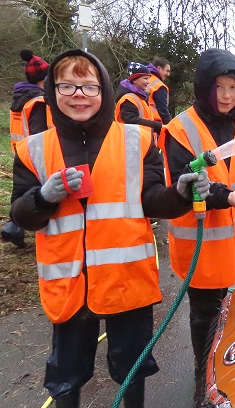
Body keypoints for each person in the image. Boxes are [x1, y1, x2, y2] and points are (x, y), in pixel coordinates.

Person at [9, 49, 210, 408]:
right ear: (53, 92)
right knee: (66, 376)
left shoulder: (137, 140)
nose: (78, 96)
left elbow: (151, 199)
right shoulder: (32, 149)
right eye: (67, 87)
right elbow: (22, 216)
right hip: (70, 285)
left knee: (131, 370)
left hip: (127, 282)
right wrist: (43, 196)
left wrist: (179, 194)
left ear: (103, 90)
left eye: (88, 87)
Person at [159, 48, 235, 408]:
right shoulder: (181, 129)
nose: (228, 95)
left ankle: (213, 370)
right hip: (197, 241)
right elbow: (187, 181)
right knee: (204, 312)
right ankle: (203, 382)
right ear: (204, 87)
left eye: (234, 87)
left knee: (219, 307)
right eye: (220, 87)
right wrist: (227, 196)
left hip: (230, 240)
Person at [2, 49, 52, 248]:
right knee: (36, 192)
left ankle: (14, 226)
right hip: (34, 154)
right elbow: (39, 132)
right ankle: (14, 226)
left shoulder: (20, 99)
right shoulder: (38, 102)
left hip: (20, 152)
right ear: (43, 79)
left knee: (24, 191)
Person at [115, 61, 162, 134]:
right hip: (132, 142)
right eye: (145, 78)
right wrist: (157, 126)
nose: (148, 82)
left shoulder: (139, 97)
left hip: (141, 140)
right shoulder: (128, 99)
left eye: (148, 78)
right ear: (135, 80)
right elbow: (131, 121)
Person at [146, 57, 173, 125]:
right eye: (167, 71)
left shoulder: (144, 79)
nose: (168, 74)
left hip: (142, 122)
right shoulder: (159, 86)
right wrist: (170, 127)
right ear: (159, 68)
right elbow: (163, 111)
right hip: (154, 124)